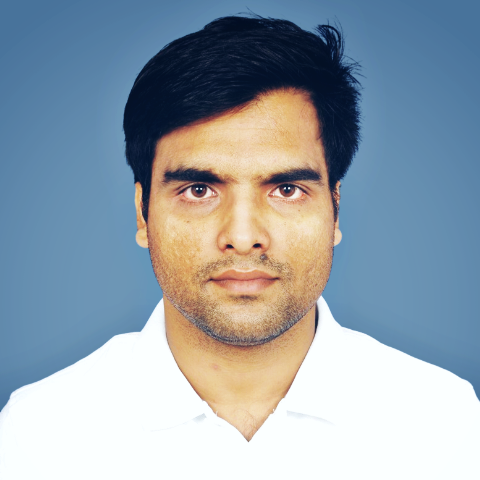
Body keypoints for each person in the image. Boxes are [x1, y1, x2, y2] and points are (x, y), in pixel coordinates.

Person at [0, 14, 479, 480]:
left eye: (286, 189)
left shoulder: (447, 425)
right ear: (143, 214)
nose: (244, 235)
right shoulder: (36, 437)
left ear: (335, 210)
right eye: (199, 190)